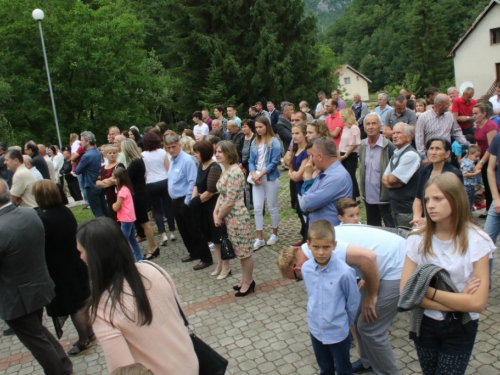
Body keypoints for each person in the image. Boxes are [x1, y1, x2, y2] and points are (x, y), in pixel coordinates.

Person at [76, 218, 199, 375]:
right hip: (189, 363)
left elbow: (122, 370)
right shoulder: (152, 268)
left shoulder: (102, 308)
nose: (80, 258)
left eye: (81, 252)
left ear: (95, 256)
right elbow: (178, 313)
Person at [278, 224, 406, 374]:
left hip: (398, 265)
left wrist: (371, 296)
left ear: (297, 269)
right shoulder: (318, 248)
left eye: (297, 278)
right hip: (382, 263)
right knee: (360, 316)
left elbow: (369, 258)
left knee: (370, 327)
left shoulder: (327, 250)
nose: (301, 278)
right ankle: (368, 362)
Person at [400, 172, 493, 375]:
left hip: (461, 327)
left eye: (438, 198)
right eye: (426, 199)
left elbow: (477, 303)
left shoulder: (478, 241)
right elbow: (406, 292)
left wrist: (426, 292)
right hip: (424, 323)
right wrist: (460, 300)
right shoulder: (417, 239)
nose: (430, 205)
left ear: (455, 198)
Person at [0, 179, 73, 375]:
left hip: (15, 297)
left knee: (37, 340)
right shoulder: (30, 213)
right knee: (38, 333)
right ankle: (64, 365)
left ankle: (60, 371)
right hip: (38, 286)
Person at [32, 180, 94, 356]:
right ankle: (90, 332)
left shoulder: (44, 220)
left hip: (60, 269)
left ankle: (84, 340)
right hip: (75, 261)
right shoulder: (65, 211)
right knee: (82, 302)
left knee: (74, 307)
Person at [302, 220, 360, 375]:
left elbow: (353, 302)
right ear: (308, 244)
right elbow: (312, 295)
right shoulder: (306, 269)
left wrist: (343, 323)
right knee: (325, 368)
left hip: (338, 332)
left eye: (326, 247)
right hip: (316, 330)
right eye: (316, 247)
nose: (321, 252)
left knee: (343, 369)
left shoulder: (345, 272)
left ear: (334, 245)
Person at [165, 135, 213, 269]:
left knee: (195, 230)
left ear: (179, 145)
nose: (171, 150)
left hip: (185, 200)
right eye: (168, 148)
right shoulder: (172, 160)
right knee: (183, 230)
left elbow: (193, 181)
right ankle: (194, 252)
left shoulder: (187, 160)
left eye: (173, 146)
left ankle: (206, 258)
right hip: (175, 200)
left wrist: (187, 202)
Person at [214, 141, 255, 296]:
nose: (217, 154)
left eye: (221, 152)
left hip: (237, 216)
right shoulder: (225, 170)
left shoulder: (235, 172)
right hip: (228, 216)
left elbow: (230, 200)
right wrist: (217, 212)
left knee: (244, 252)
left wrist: (219, 215)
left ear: (229, 153)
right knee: (239, 251)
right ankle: (244, 280)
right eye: (216, 151)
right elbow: (222, 195)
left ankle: (249, 281)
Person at [191, 141, 227, 278]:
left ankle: (225, 266)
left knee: (218, 236)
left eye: (197, 152)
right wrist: (193, 200)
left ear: (204, 153)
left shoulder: (214, 167)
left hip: (212, 205)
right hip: (202, 205)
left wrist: (196, 201)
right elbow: (196, 184)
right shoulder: (201, 165)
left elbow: (211, 191)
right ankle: (219, 263)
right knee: (213, 238)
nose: (195, 155)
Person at [121, 139, 159, 259]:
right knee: (142, 223)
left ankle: (153, 247)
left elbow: (125, 177)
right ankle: (152, 246)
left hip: (139, 195)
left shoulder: (135, 163)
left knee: (145, 223)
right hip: (139, 193)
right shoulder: (138, 161)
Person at [411, 138, 463, 227]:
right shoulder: (424, 170)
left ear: (447, 154)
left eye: (438, 149)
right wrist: (417, 218)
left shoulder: (453, 173)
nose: (433, 152)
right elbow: (418, 198)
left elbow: (455, 203)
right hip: (424, 219)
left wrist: (428, 221)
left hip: (446, 221)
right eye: (431, 149)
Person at [302, 137, 352, 226]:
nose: (311, 160)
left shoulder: (336, 177)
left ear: (320, 156)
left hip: (330, 234)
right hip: (322, 231)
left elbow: (307, 203)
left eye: (312, 156)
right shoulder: (325, 172)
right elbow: (307, 199)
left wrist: (306, 200)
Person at [248, 116, 282, 249]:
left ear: (267, 126)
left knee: (272, 206)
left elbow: (274, 162)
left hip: (270, 177)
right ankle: (259, 237)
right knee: (257, 208)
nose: (258, 130)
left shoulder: (274, 142)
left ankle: (274, 234)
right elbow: (251, 160)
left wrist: (261, 174)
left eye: (261, 127)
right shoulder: (255, 141)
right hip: (257, 178)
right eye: (256, 127)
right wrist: (253, 174)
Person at [359, 113, 395, 227]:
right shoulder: (362, 145)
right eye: (368, 124)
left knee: (391, 227)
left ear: (380, 126)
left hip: (385, 197)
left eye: (374, 123)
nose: (370, 127)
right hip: (368, 196)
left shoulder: (388, 146)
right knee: (373, 227)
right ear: (364, 127)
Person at [383, 124, 421, 228]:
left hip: (406, 211)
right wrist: (395, 183)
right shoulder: (397, 153)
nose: (394, 136)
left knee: (406, 238)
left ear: (409, 137)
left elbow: (391, 178)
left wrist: (392, 180)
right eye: (393, 133)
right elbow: (384, 179)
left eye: (398, 133)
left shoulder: (410, 155)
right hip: (396, 208)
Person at [415, 94, 469, 165]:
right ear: (440, 105)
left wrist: (466, 144)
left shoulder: (450, 116)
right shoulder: (424, 117)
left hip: (446, 155)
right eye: (447, 103)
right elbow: (419, 138)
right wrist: (423, 156)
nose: (449, 105)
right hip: (431, 156)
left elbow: (456, 132)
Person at [142, 132, 175, 246]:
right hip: (164, 181)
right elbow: (168, 168)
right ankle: (172, 232)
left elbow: (144, 173)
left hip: (151, 183)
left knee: (157, 210)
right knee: (168, 207)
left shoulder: (143, 155)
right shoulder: (162, 152)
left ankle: (162, 234)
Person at [75, 131, 109, 217]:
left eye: (82, 140)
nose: (81, 143)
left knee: (97, 212)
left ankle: (103, 229)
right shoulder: (98, 152)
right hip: (99, 183)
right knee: (104, 209)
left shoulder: (87, 155)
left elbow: (77, 170)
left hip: (91, 185)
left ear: (88, 141)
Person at [111, 167, 143, 262]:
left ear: (119, 179)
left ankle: (132, 261)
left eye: (114, 178)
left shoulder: (121, 192)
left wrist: (113, 205)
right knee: (133, 239)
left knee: (124, 241)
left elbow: (116, 207)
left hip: (125, 219)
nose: (113, 180)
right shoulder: (127, 188)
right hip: (130, 218)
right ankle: (139, 259)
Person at [472, 102, 499, 211]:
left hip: (490, 159)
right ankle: (489, 209)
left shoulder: (490, 126)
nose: (473, 116)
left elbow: (491, 148)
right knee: (486, 185)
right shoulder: (479, 125)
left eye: (476, 113)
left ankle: (492, 209)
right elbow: (479, 142)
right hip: (482, 157)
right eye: (473, 113)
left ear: (484, 114)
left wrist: (481, 162)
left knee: (491, 184)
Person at [288, 122, 309, 246]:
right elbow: (290, 167)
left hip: (304, 187)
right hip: (296, 187)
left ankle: (307, 240)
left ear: (304, 134)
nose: (294, 136)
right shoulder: (296, 149)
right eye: (293, 133)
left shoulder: (306, 151)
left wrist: (292, 174)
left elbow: (298, 175)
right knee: (300, 214)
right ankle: (304, 238)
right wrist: (292, 174)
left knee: (306, 215)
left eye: (297, 133)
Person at [338, 108, 361, 200]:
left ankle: (354, 196)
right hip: (343, 152)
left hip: (350, 154)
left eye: (342, 116)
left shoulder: (354, 128)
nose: (341, 118)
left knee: (350, 175)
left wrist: (346, 155)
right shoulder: (345, 127)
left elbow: (354, 144)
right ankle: (349, 194)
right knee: (345, 176)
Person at [96, 145, 123, 222]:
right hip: (108, 195)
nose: (112, 154)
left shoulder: (119, 165)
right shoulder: (102, 168)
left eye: (114, 153)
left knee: (120, 215)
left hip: (118, 194)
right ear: (105, 154)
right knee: (112, 215)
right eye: (110, 153)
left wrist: (104, 182)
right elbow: (97, 182)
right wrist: (108, 182)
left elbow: (116, 180)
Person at [461, 145, 482, 212]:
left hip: (465, 184)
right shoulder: (469, 164)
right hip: (468, 185)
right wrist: (476, 173)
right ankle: (469, 218)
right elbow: (464, 174)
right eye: (476, 156)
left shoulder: (463, 160)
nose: (477, 158)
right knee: (470, 203)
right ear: (470, 154)